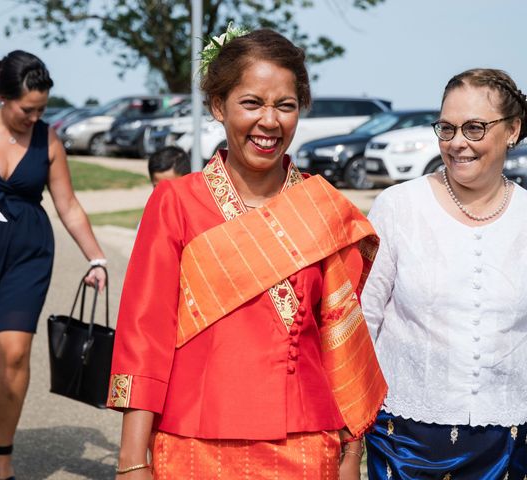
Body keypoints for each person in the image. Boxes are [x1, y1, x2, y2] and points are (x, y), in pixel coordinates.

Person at [107, 28, 387, 480]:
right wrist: (131, 460)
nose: (270, 121)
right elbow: (145, 337)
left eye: (286, 105)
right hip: (193, 442)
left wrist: (352, 455)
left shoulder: (322, 208)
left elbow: (343, 340)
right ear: (219, 106)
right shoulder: (176, 202)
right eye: (252, 103)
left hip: (305, 442)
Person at [0, 50, 108, 480]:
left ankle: (4, 456)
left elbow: (68, 206)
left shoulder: (48, 140)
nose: (35, 117)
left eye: (41, 109)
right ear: (2, 96)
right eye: (27, 109)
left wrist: (96, 257)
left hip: (27, 255)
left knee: (13, 351)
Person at [362, 68, 527, 479]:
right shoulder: (398, 207)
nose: (457, 143)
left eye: (475, 128)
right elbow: (360, 320)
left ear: (513, 130)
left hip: (509, 443)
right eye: (447, 128)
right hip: (402, 442)